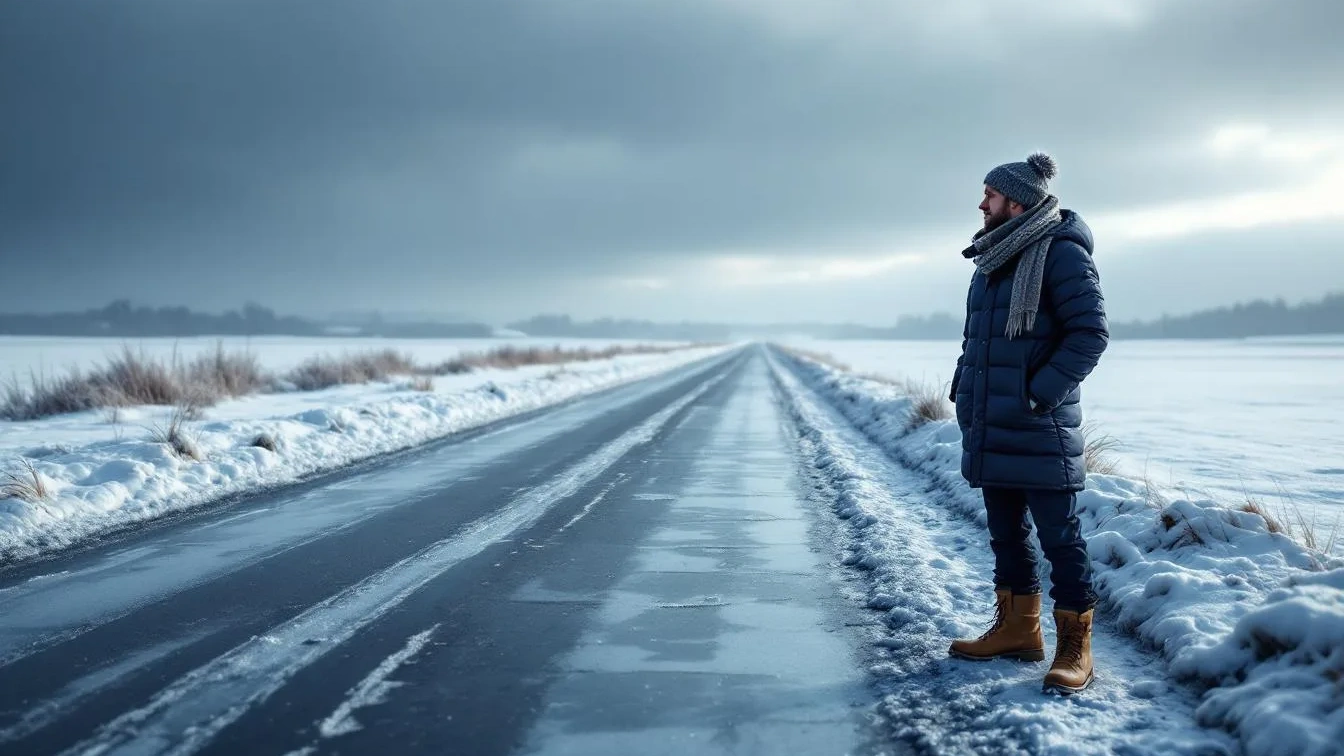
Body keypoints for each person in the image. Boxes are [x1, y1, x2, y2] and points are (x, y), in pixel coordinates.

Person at [946, 152, 1109, 695]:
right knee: (1006, 534)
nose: (981, 203)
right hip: (991, 421)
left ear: (1016, 202)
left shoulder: (1061, 252)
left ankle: (1075, 647)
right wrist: (964, 391)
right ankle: (1018, 630)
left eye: (989, 194)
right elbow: (977, 341)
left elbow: (1090, 334)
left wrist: (1037, 395)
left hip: (1039, 426)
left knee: (1061, 539)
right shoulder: (992, 258)